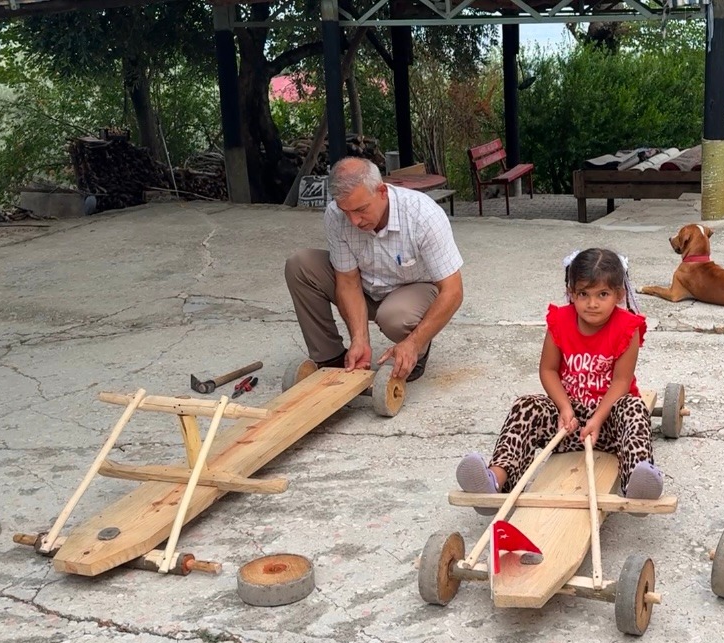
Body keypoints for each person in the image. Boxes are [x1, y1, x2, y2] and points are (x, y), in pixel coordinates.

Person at [455, 248, 664, 502]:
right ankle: (495, 479)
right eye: (583, 294)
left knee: (634, 408)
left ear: (619, 295)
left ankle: (636, 482)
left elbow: (621, 380)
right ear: (571, 292)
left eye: (603, 294)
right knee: (526, 405)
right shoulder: (560, 321)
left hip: (608, 424)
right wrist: (564, 408)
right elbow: (548, 369)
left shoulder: (627, 327)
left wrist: (597, 419)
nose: (592, 303)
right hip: (566, 425)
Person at [284, 157, 464, 384]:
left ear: (381, 192)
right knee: (300, 265)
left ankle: (416, 350)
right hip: (366, 285)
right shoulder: (337, 215)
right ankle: (331, 359)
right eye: (346, 211)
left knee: (394, 316)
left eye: (361, 210)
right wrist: (360, 340)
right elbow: (348, 282)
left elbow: (453, 291)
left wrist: (413, 343)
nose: (354, 221)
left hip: (412, 292)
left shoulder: (423, 215)